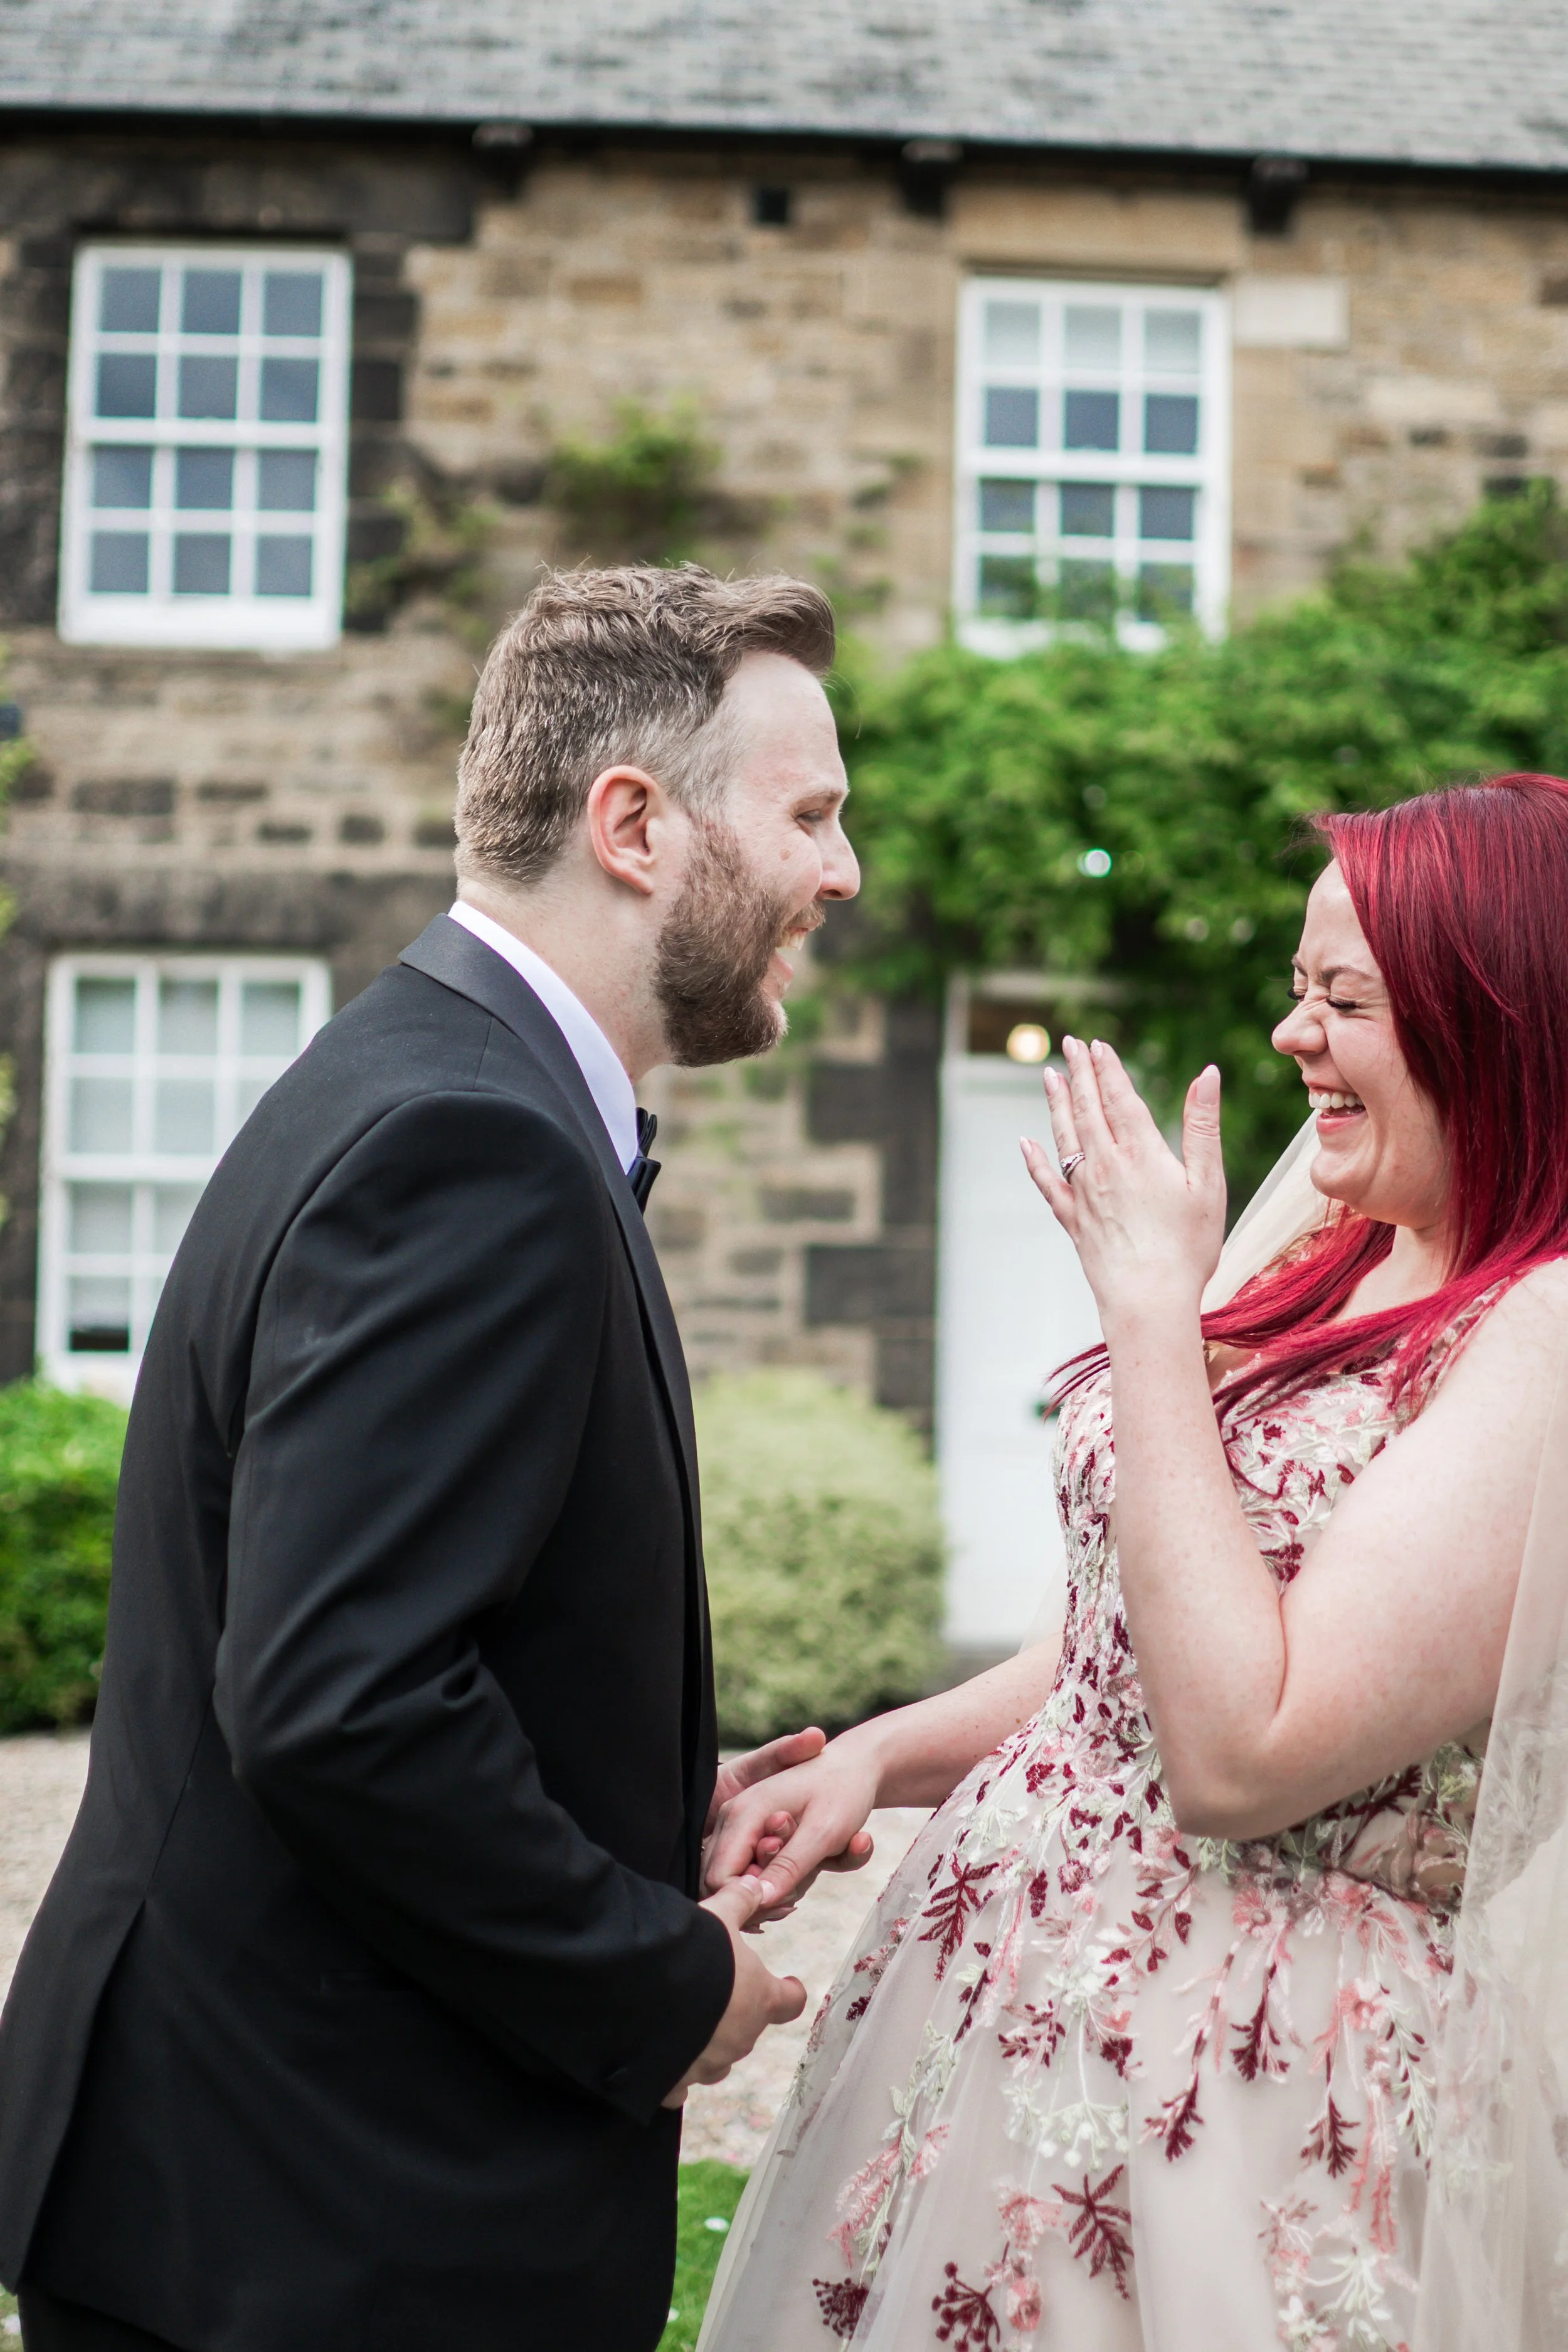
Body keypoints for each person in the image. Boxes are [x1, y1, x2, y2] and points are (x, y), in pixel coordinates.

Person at [0, 564, 864, 2352]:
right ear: (632, 823)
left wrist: (635, 1802)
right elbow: (342, 1696)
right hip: (319, 2219)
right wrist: (666, 1975)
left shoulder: (432, 1074)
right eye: (808, 811)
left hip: (256, 2180)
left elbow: (389, 1628)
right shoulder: (475, 1142)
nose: (838, 870)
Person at [697, 772, 1568, 2351]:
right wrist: (871, 1762)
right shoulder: (1335, 1232)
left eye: (1346, 999)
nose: (1295, 1036)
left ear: (1489, 1016)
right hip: (1006, 2016)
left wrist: (1152, 1320)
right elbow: (1130, 1636)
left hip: (1250, 2088)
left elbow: (1240, 1753)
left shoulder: (1540, 1337)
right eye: (1298, 990)